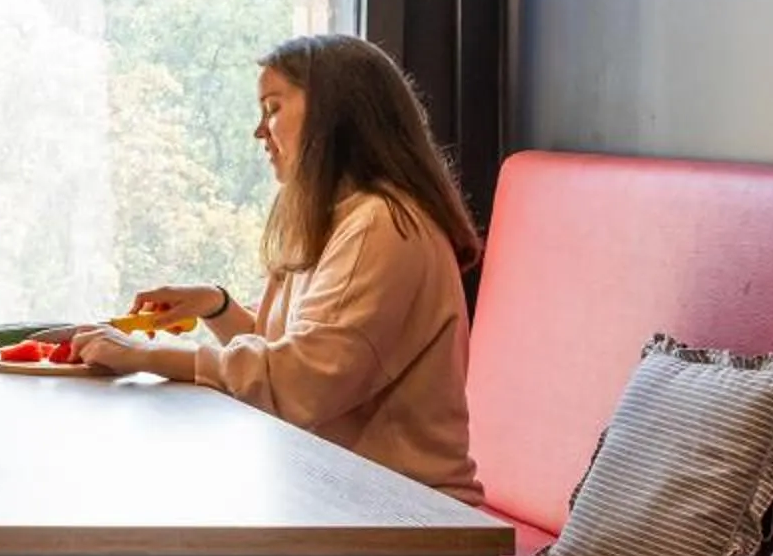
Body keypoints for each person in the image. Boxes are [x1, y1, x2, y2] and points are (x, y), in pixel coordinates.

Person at [67, 33, 485, 504]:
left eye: (272, 108)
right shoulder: (338, 217)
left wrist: (148, 356)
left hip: (406, 513)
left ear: (333, 113)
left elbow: (300, 382)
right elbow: (292, 356)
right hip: (343, 496)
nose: (259, 132)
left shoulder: (383, 225)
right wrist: (218, 306)